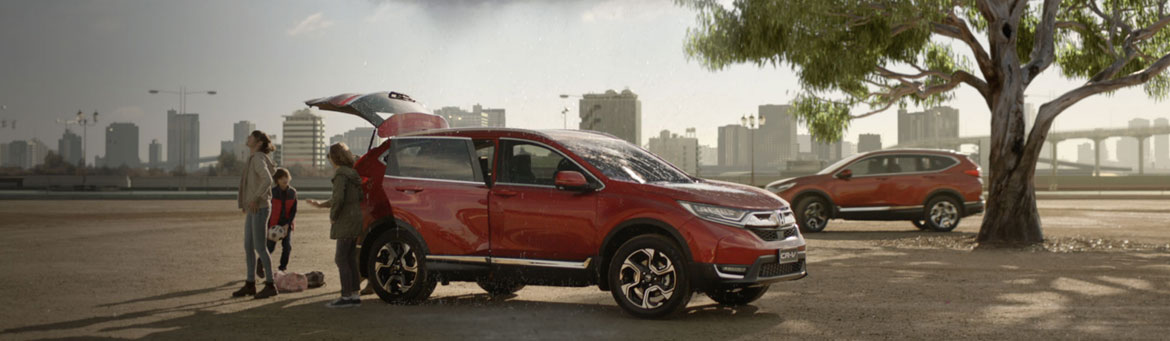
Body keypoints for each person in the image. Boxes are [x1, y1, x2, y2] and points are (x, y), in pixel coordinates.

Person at [308, 143, 364, 308]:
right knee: (351, 258)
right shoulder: (353, 174)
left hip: (346, 220)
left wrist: (333, 215)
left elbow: (338, 199)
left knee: (341, 259)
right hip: (356, 218)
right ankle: (354, 295)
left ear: (334, 158)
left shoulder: (340, 175)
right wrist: (320, 205)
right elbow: (353, 197)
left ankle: (345, 297)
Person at [231, 130, 279, 299]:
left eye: (251, 136)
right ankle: (250, 283)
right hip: (253, 208)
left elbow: (267, 179)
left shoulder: (258, 158)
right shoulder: (254, 158)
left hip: (259, 208)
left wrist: (254, 199)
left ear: (258, 143)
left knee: (259, 247)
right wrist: (248, 202)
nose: (248, 138)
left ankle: (270, 284)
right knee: (248, 245)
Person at [266, 168, 297, 272]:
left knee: (287, 247)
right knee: (269, 248)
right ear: (277, 180)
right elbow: (267, 210)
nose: (285, 180)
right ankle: (260, 265)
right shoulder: (272, 192)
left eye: (286, 177)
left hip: (286, 225)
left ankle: (282, 268)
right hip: (273, 224)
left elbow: (294, 211)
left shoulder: (292, 192)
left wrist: (288, 224)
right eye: (281, 178)